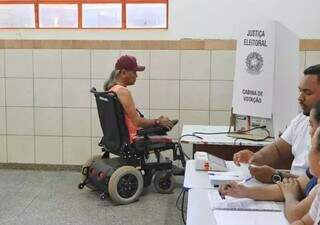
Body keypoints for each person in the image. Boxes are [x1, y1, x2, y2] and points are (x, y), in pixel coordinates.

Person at [219, 101, 320, 223]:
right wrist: (243, 191)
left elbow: (294, 214)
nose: (309, 131)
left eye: (311, 125)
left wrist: (289, 195)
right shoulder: (314, 177)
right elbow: (292, 188)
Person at [233, 64, 320, 183]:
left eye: (307, 93)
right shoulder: (301, 119)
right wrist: (254, 158)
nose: (300, 98)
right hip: (292, 190)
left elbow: (313, 184)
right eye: (300, 91)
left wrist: (276, 176)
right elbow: (278, 149)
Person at [104, 55, 174, 142]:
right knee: (170, 140)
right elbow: (137, 122)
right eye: (134, 72)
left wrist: (157, 121)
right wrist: (158, 122)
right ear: (123, 72)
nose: (136, 76)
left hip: (121, 139)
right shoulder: (122, 91)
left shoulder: (112, 89)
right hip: (133, 138)